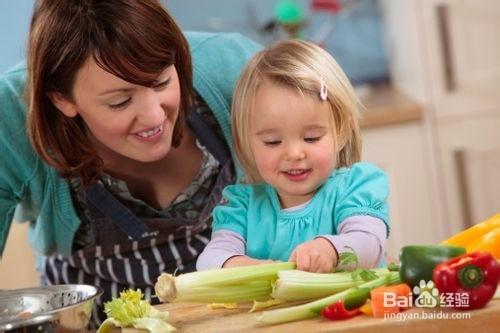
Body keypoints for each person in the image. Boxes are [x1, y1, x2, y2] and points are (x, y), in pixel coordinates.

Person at [0, 0, 260, 327]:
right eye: (120, 102)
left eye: (162, 82)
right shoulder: (9, 118)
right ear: (62, 100)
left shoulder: (236, 68)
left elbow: (335, 191)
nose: (154, 116)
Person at [197, 39, 389, 273]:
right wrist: (242, 266)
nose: (295, 154)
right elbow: (209, 260)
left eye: (311, 138)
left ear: (342, 132)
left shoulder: (356, 187)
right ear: (247, 143)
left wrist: (329, 249)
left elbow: (369, 243)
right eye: (273, 142)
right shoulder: (242, 207)